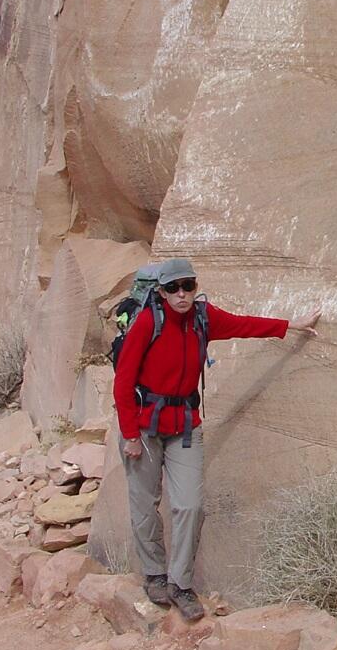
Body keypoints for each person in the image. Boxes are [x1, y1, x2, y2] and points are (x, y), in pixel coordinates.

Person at [113, 257, 320, 621]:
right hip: (144, 427)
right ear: (160, 292)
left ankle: (180, 584)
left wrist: (291, 325)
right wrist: (129, 434)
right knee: (145, 506)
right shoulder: (148, 321)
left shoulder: (202, 318)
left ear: (195, 287)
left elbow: (243, 325)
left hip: (184, 426)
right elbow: (123, 382)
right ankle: (155, 575)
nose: (181, 295)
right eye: (173, 288)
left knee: (190, 504)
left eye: (188, 286)